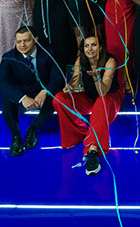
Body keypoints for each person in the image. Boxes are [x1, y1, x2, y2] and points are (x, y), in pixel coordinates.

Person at [52, 35, 123, 176]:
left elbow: (103, 92)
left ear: (100, 47)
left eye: (93, 45)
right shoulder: (81, 60)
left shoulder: (110, 61)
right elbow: (75, 81)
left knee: (100, 102)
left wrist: (96, 78)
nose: (90, 49)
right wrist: (70, 87)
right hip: (89, 99)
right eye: (86, 46)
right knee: (59, 98)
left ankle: (93, 149)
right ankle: (75, 135)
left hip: (109, 100)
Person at [0, 27, 65, 156]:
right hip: (22, 91)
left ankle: (33, 129)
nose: (22, 45)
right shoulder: (9, 57)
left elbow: (58, 78)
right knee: (5, 99)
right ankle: (16, 136)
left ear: (35, 39)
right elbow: (1, 83)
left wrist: (44, 92)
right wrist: (22, 98)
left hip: (42, 90)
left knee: (56, 95)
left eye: (26, 41)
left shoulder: (49, 53)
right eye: (19, 42)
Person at [89, 0, 136, 94]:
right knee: (114, 48)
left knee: (128, 47)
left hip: (129, 13)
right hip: (112, 15)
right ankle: (115, 81)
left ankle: (126, 79)